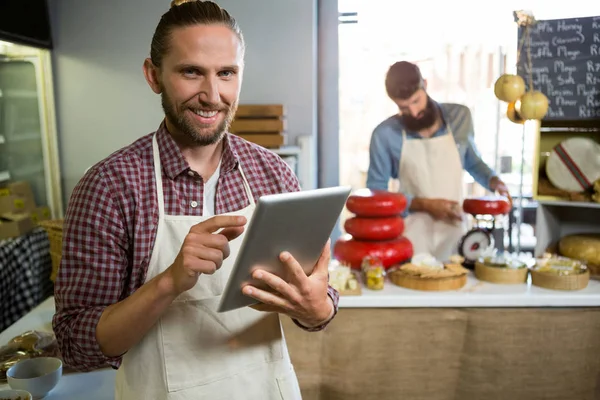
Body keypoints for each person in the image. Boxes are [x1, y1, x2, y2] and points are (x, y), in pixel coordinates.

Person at [52, 1, 338, 399]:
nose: (212, 94)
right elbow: (75, 345)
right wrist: (169, 283)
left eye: (226, 73)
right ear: (154, 76)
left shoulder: (274, 174)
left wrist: (316, 308)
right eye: (191, 72)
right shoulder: (109, 187)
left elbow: (320, 305)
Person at [366, 61, 511, 261]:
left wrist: (496, 182)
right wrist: (424, 204)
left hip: (454, 231)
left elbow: (472, 161)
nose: (414, 113)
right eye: (404, 108)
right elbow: (377, 193)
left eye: (416, 101)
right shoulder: (384, 135)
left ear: (425, 84)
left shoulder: (460, 117)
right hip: (412, 234)